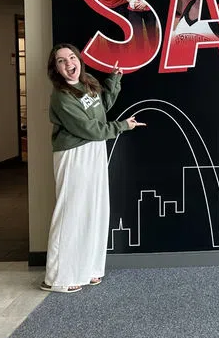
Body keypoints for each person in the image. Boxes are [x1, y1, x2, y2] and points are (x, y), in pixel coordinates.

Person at [41, 44, 145, 293]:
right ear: (55, 69)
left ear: (78, 60)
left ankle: (88, 269)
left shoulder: (86, 82)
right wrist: (122, 126)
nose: (68, 64)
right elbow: (88, 129)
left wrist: (115, 79)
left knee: (93, 210)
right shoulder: (61, 96)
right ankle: (57, 278)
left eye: (71, 58)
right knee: (70, 213)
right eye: (61, 61)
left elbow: (101, 108)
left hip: (95, 150)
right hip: (74, 153)